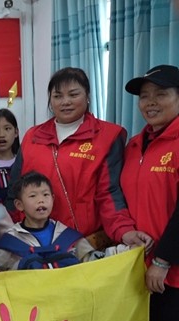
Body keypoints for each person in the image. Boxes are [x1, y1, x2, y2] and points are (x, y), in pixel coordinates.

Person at [8, 67, 150, 250]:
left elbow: (109, 193)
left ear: (87, 96)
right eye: (57, 96)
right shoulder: (32, 137)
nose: (65, 102)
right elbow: (15, 190)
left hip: (83, 243)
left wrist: (124, 230)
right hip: (33, 243)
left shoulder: (107, 136)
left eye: (73, 94)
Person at [119, 64, 179, 321]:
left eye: (161, 94)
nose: (150, 102)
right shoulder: (135, 145)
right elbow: (123, 199)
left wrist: (164, 260)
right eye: (144, 96)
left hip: (170, 268)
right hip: (135, 267)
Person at [0, 171, 100, 271]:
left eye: (45, 195)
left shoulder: (68, 236)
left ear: (53, 199)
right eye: (33, 196)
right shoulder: (11, 241)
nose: (41, 200)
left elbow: (94, 264)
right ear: (19, 205)